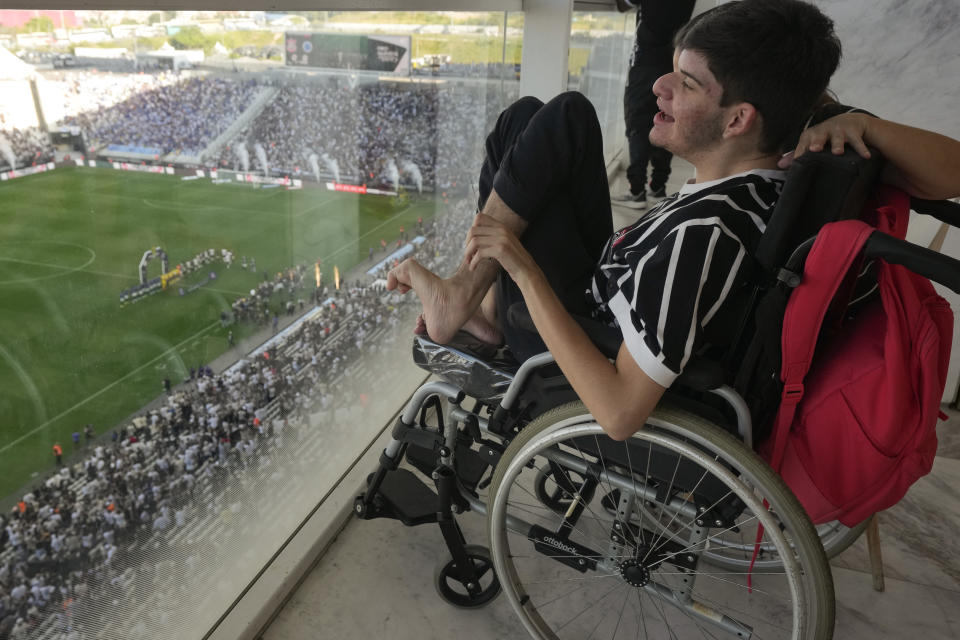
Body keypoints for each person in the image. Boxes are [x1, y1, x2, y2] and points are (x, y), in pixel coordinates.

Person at [388, 0, 959, 443]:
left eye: (686, 83)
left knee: (552, 118)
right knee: (537, 118)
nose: (658, 87)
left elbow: (617, 414)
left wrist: (523, 267)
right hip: (611, 286)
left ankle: (483, 301)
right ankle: (478, 299)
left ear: (739, 119)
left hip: (581, 332)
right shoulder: (781, 157)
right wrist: (863, 124)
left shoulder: (702, 238)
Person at [611, 0, 696, 210]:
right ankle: (658, 186)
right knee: (666, 117)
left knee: (638, 121)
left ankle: (636, 190)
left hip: (645, 62)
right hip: (673, 59)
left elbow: (623, 4)